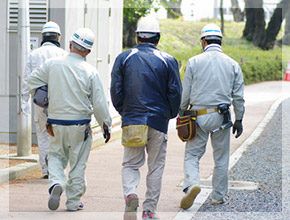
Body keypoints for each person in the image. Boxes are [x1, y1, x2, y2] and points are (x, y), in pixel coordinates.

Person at [27, 28, 112, 211]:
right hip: (80, 125)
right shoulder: (90, 70)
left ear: (70, 45)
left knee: (56, 156)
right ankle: (73, 202)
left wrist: (47, 95)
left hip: (55, 122)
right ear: (88, 52)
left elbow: (31, 81)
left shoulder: (52, 64)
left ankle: (56, 182)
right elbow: (98, 103)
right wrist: (106, 125)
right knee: (78, 163)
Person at [111, 17, 182, 220]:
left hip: (133, 119)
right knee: (156, 166)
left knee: (131, 164)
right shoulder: (168, 60)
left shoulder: (124, 57)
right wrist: (169, 114)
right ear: (158, 38)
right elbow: (175, 93)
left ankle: (131, 193)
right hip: (158, 121)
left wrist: (124, 112)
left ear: (137, 36)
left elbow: (116, 90)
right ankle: (149, 210)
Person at [179, 23, 245, 209]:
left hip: (198, 116)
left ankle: (193, 184)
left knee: (192, 154)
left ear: (204, 41)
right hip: (222, 117)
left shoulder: (194, 62)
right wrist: (239, 119)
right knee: (221, 158)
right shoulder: (233, 64)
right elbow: (238, 96)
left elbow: (186, 92)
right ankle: (218, 196)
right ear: (220, 41)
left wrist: (182, 111)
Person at [21, 21, 67, 179]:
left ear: (43, 36)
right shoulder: (64, 54)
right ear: (58, 37)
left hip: (40, 101)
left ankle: (46, 170)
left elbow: (26, 80)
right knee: (58, 135)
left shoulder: (33, 55)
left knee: (42, 134)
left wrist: (24, 104)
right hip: (60, 102)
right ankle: (58, 169)